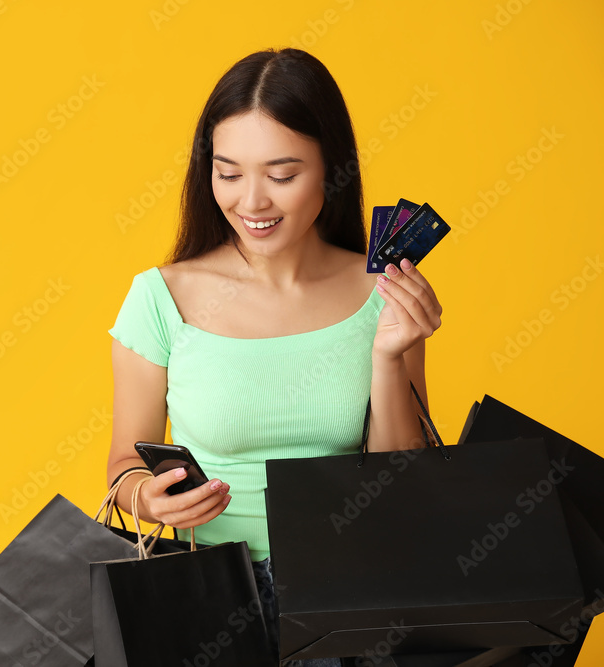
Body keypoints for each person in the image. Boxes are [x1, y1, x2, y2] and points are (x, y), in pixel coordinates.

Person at [105, 47, 442, 666]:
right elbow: (126, 463)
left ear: (331, 171)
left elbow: (404, 482)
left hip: (350, 598)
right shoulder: (161, 298)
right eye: (228, 173)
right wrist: (149, 500)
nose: (251, 202)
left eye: (282, 175)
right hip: (207, 600)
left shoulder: (383, 294)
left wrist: (391, 356)